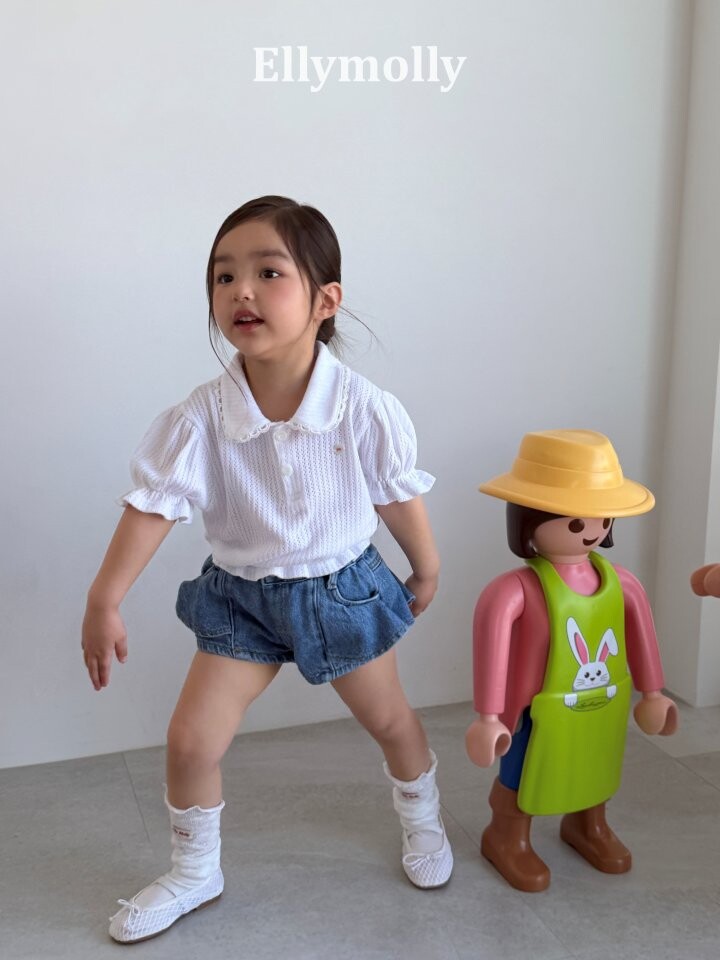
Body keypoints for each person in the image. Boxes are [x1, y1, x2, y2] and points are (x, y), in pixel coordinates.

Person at [81, 195, 453, 944]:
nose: (240, 291)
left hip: (342, 592)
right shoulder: (200, 417)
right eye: (223, 276)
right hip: (242, 601)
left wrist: (426, 565)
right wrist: (104, 597)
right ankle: (195, 871)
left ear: (325, 301)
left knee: (390, 721)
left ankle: (424, 820)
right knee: (191, 742)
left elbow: (394, 492)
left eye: (268, 273)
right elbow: (155, 506)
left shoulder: (361, 407)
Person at [465, 429, 677, 892]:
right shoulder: (514, 590)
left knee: (597, 758)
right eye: (576, 522)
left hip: (604, 701)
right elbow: (491, 648)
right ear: (530, 519)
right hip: (533, 709)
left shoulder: (622, 583)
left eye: (601, 518)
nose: (592, 531)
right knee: (523, 770)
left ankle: (587, 822)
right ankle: (506, 834)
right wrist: (487, 717)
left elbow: (642, 638)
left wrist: (653, 693)